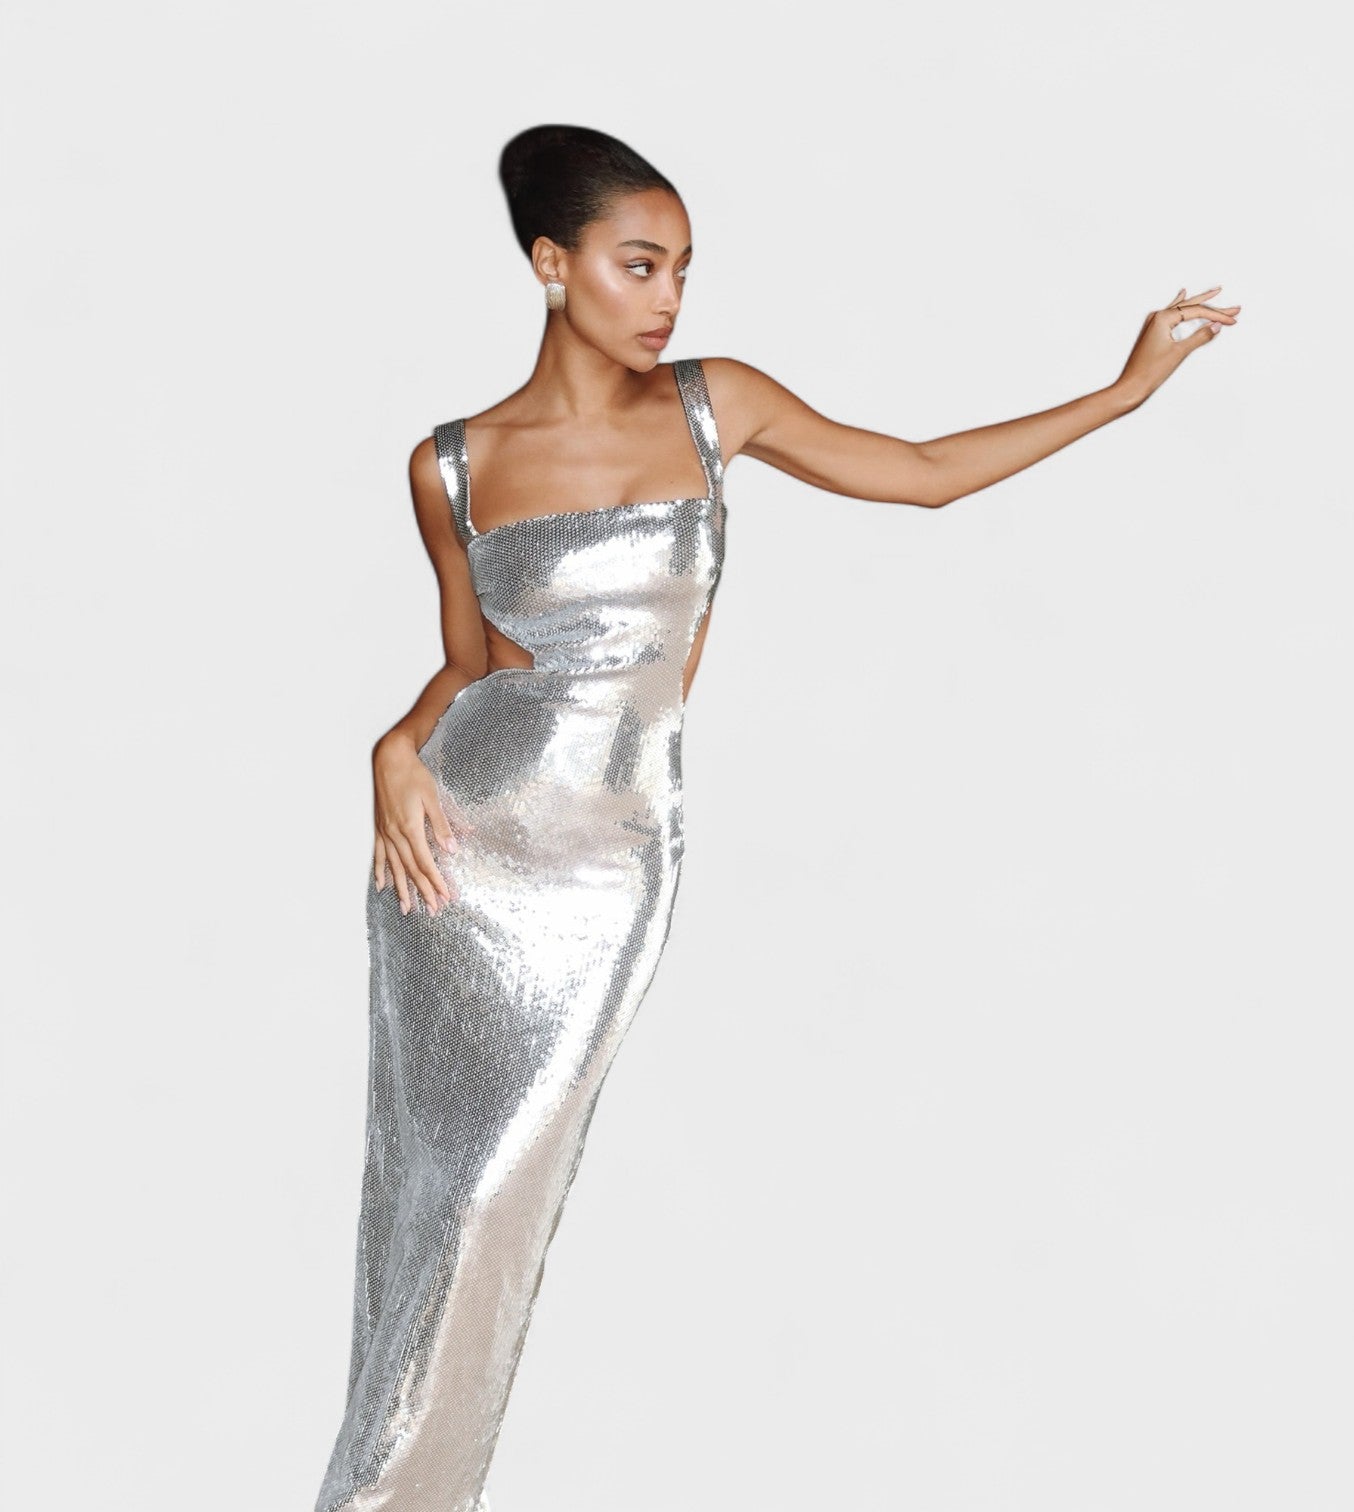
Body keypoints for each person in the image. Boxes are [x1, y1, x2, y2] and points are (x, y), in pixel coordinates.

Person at [314, 122, 1240, 1512]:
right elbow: (475, 665)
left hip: (611, 855)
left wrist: (1123, 393)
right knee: (435, 1201)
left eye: (683, 267)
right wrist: (393, 745)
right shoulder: (448, 462)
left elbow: (921, 469)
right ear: (552, 265)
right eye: (638, 265)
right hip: (459, 850)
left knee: (501, 1193)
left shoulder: (715, 405)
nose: (669, 297)